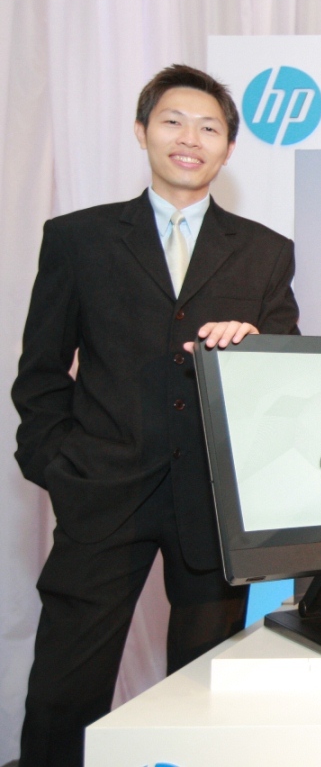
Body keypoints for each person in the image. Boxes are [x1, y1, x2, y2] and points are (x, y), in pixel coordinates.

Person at [12, 64, 300, 767]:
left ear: (228, 149)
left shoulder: (265, 251)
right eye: (173, 121)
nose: (190, 139)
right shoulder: (77, 239)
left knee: (204, 695)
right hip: (102, 493)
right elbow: (40, 373)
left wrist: (254, 350)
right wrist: (59, 465)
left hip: (213, 502)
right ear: (142, 131)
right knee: (63, 690)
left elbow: (285, 383)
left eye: (209, 128)